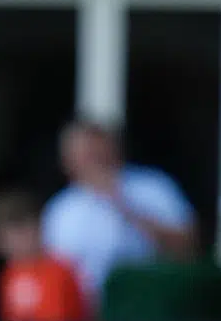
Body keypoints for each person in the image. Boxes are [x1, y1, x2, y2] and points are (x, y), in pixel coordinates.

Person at [41, 122, 197, 305]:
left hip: (147, 306)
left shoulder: (152, 187)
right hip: (84, 314)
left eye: (98, 154)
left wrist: (123, 205)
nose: (93, 162)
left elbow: (188, 246)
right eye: (85, 155)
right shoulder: (60, 208)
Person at [0, 190, 89, 321]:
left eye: (17, 233)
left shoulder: (58, 271)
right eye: (2, 237)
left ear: (37, 229)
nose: (9, 244)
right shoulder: (9, 274)